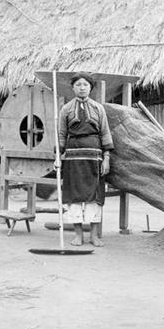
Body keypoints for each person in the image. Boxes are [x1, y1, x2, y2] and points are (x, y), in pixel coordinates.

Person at [58, 72, 114, 247]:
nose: (82, 88)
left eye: (85, 85)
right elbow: (61, 135)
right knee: (74, 196)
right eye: (78, 85)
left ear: (90, 88)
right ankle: (78, 235)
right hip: (73, 157)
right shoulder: (66, 109)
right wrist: (58, 157)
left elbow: (105, 133)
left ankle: (94, 236)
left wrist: (106, 158)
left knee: (94, 197)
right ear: (73, 87)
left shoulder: (98, 108)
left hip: (94, 156)